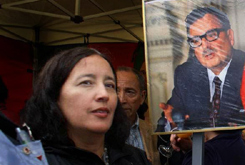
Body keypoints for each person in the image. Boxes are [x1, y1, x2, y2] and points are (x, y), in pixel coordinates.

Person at [21, 47, 151, 164]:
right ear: (55, 95)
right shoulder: (36, 161)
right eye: (86, 83)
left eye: (109, 85)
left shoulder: (135, 159)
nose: (103, 94)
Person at [159, 6, 245, 130]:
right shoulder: (185, 74)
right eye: (196, 41)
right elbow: (170, 116)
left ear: (230, 36)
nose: (205, 47)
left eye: (212, 35)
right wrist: (173, 126)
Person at [116, 66, 158, 163]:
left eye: (130, 92)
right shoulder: (99, 133)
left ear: (142, 97)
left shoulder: (153, 132)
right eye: (116, 91)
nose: (121, 99)